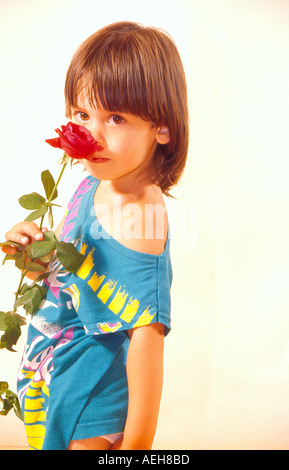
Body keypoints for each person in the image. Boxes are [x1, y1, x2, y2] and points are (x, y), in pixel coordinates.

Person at [2, 21, 189, 450]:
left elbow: (146, 334)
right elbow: (78, 282)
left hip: (94, 395)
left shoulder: (140, 213)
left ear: (162, 128)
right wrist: (33, 259)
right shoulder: (95, 182)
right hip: (59, 376)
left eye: (116, 117)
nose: (93, 135)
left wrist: (136, 445)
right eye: (83, 114)